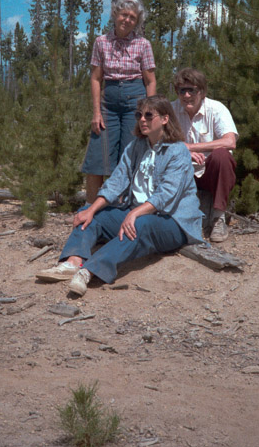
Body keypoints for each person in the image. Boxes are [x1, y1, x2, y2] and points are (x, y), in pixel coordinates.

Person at [37, 95, 203, 297]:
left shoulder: (177, 151)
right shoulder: (136, 147)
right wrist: (91, 209)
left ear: (165, 119)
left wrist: (134, 214)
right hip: (138, 213)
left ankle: (88, 271)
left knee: (139, 224)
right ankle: (72, 262)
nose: (142, 119)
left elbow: (166, 195)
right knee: (89, 214)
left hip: (173, 222)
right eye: (139, 115)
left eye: (149, 115)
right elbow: (117, 181)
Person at [81, 0, 156, 204]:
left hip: (135, 102)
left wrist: (148, 114)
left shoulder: (143, 45)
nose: (127, 20)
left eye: (133, 17)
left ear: (137, 22)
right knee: (98, 156)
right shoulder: (101, 42)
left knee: (131, 155)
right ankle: (90, 208)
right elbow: (96, 78)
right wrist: (96, 112)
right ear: (115, 15)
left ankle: (125, 208)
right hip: (109, 104)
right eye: (124, 14)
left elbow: (150, 81)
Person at [172, 67, 238, 243]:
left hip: (210, 172)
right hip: (184, 173)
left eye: (191, 90)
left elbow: (230, 141)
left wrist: (193, 147)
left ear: (201, 91)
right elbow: (159, 141)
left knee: (222, 156)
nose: (186, 96)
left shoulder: (216, 109)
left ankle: (218, 218)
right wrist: (182, 149)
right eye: (182, 90)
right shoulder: (171, 111)